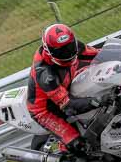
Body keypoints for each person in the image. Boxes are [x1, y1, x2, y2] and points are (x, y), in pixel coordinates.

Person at [27, 23, 102, 154]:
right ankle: (68, 156)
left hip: (66, 89)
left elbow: (99, 54)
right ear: (49, 51)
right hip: (47, 109)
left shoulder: (75, 46)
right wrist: (97, 101)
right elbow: (67, 105)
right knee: (78, 143)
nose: (67, 52)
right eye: (61, 51)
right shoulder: (45, 75)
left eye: (69, 47)